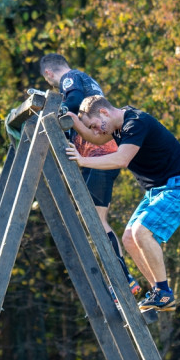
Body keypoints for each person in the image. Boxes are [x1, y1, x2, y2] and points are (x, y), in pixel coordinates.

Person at [65, 95, 180, 312]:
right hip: (158, 190)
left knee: (141, 232)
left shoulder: (135, 122)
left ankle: (164, 293)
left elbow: (121, 159)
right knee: (129, 238)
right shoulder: (116, 127)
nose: (97, 131)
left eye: (95, 125)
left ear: (104, 112)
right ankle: (160, 293)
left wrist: (82, 160)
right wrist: (74, 119)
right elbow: (99, 140)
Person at [38, 53, 141, 296]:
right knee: (94, 218)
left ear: (48, 74)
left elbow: (72, 102)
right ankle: (122, 278)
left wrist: (57, 111)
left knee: (97, 220)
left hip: (99, 156)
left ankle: (123, 279)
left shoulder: (70, 79)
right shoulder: (87, 80)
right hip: (99, 157)